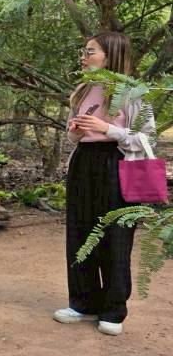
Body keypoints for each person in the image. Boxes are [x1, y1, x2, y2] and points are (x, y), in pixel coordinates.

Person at [56, 32, 156, 336]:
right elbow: (73, 137)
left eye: (91, 52)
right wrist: (76, 132)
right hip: (84, 163)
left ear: (110, 56)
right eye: (84, 51)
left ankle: (113, 310)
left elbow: (148, 138)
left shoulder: (133, 92)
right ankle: (83, 302)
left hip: (118, 164)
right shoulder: (83, 90)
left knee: (116, 237)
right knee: (80, 232)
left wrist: (107, 129)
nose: (84, 57)